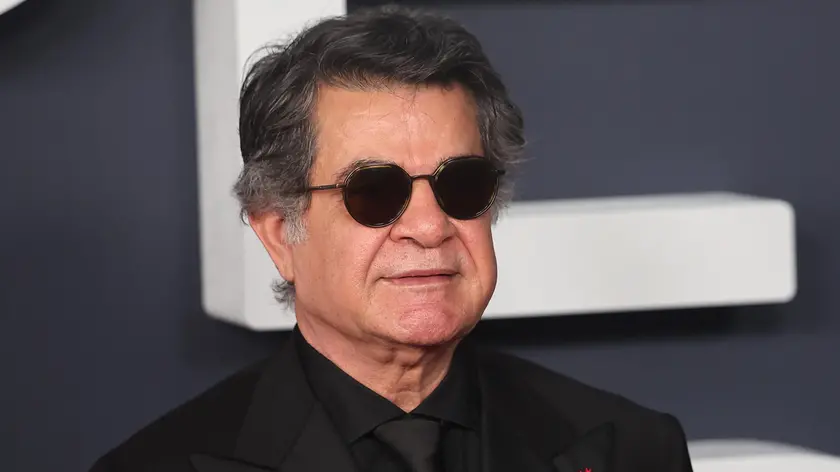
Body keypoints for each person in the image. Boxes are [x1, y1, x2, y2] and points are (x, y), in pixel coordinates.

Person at [90, 6, 693, 472]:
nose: (430, 227)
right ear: (279, 234)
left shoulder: (632, 450)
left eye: (461, 185)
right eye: (374, 192)